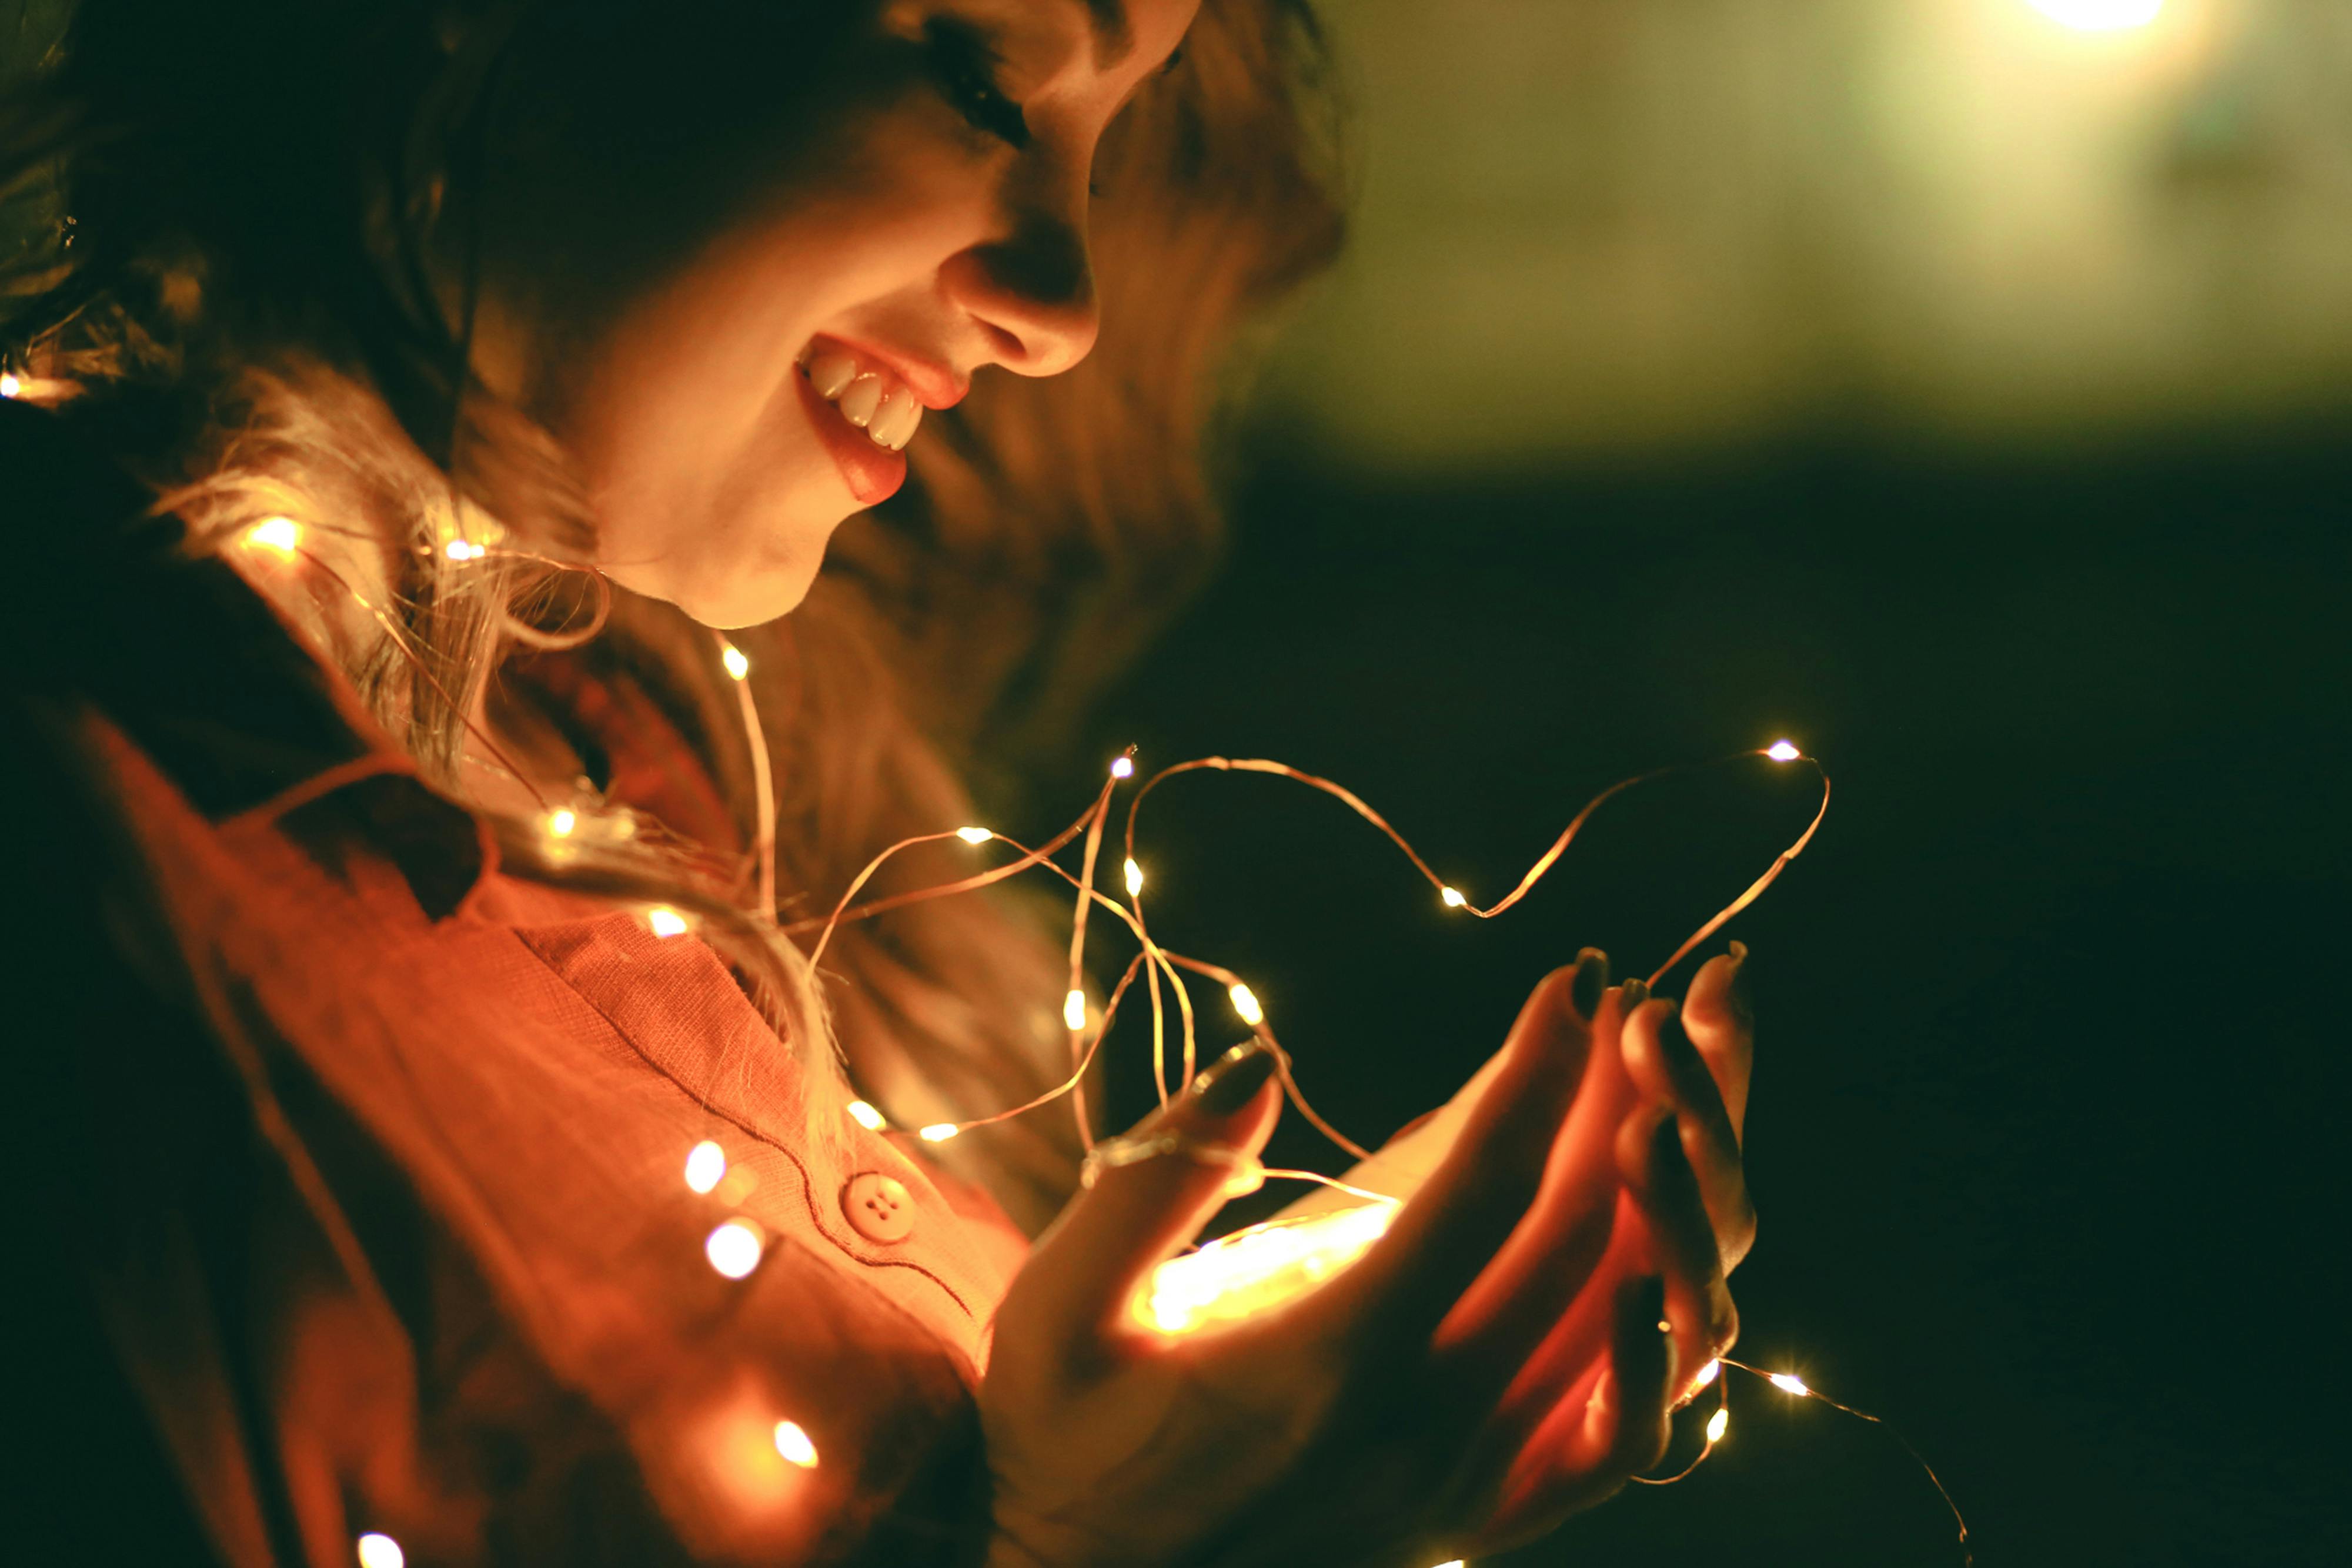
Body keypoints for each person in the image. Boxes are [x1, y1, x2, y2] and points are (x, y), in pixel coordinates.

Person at [1, 2, 1758, 1563]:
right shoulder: (86, 878)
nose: (1063, 310)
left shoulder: (662, 775)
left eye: (1107, 147)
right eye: (988, 83)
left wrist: (1210, 1395)